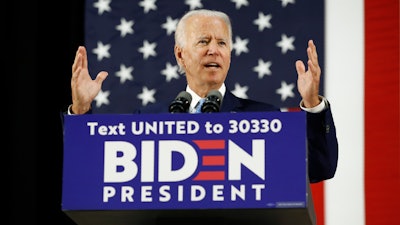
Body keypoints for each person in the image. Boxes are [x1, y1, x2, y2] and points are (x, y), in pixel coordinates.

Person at [67, 9, 338, 183]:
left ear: (230, 54)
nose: (214, 50)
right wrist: (80, 112)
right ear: (180, 54)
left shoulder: (263, 117)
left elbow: (319, 168)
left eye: (222, 43)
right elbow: (90, 174)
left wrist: (312, 105)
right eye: (203, 41)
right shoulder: (149, 119)